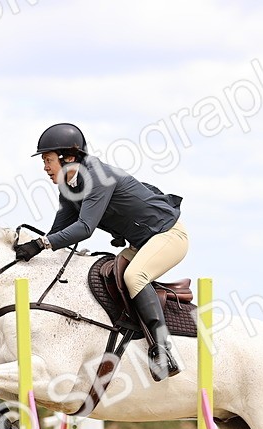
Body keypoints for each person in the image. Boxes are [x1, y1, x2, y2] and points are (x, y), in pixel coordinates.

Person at [13, 122, 188, 381]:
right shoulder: (68, 186)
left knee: (134, 277)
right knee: (106, 274)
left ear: (68, 157)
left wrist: (41, 245)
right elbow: (59, 231)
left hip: (169, 236)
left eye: (48, 160)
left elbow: (84, 229)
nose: (45, 168)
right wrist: (34, 247)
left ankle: (162, 350)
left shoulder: (96, 177)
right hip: (141, 244)